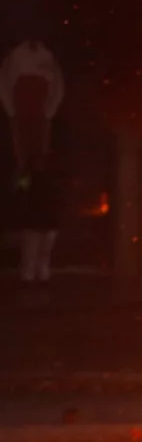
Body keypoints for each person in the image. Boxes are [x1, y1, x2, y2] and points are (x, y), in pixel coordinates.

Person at [1, 38, 65, 289]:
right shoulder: (27, 159)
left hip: (44, 207)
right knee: (34, 238)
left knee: (44, 237)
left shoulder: (47, 160)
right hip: (36, 206)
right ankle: (31, 273)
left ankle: (39, 273)